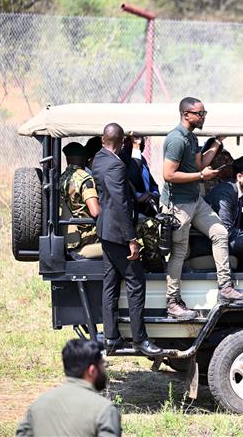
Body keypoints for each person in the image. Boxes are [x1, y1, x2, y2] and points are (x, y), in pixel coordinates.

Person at [162, 97, 243, 313]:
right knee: (179, 251)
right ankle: (172, 301)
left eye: (204, 113)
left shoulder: (190, 138)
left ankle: (225, 287)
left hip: (194, 199)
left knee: (220, 233)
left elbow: (200, 162)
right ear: (186, 115)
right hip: (178, 204)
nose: (203, 117)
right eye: (200, 114)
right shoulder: (176, 139)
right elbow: (168, 174)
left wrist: (218, 142)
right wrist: (201, 176)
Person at [93, 123, 161, 356]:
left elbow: (115, 154)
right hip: (119, 234)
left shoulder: (100, 159)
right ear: (121, 142)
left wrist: (128, 143)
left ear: (103, 139)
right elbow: (122, 205)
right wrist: (132, 239)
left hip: (105, 231)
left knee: (110, 284)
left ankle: (111, 338)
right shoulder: (116, 167)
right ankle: (139, 339)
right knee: (136, 283)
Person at [15, 339, 120, 437]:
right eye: (102, 365)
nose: (104, 370)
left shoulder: (38, 405)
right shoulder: (104, 410)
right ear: (92, 370)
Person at [205, 155, 243, 271]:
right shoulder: (225, 193)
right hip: (209, 242)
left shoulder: (237, 189)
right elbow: (225, 231)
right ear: (239, 176)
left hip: (220, 239)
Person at [59, 142, 101, 253]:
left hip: (70, 233)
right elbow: (96, 212)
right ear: (84, 159)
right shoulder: (85, 179)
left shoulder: (61, 179)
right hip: (87, 234)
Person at [122, 134, 160, 218]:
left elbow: (152, 183)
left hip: (147, 207)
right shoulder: (122, 157)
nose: (142, 143)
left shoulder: (141, 158)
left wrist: (154, 194)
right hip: (134, 210)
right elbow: (133, 178)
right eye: (138, 139)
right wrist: (136, 148)